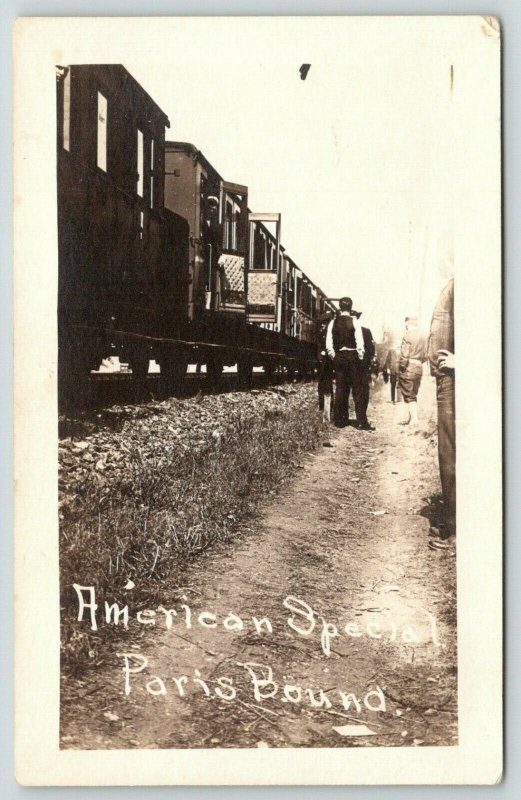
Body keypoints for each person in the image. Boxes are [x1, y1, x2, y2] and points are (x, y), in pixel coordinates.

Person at [427, 277, 455, 548]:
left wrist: (464, 360)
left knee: (454, 452)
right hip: (447, 378)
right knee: (449, 452)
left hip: (456, 377)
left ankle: (459, 531)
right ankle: (454, 521)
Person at [326, 297, 372, 430]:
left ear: (340, 307)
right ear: (351, 308)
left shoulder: (333, 323)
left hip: (339, 356)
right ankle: (361, 422)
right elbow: (360, 343)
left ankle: (340, 421)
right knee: (358, 390)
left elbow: (329, 344)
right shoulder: (355, 322)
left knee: (341, 389)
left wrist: (335, 356)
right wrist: (359, 357)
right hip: (353, 357)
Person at [398, 316, 427, 426]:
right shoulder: (423, 337)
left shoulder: (407, 336)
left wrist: (401, 367)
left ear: (407, 324)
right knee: (413, 393)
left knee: (409, 395)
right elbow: (426, 355)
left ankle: (414, 419)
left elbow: (405, 354)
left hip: (409, 366)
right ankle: (411, 418)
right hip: (419, 367)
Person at [317, 311, 335, 424]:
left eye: (324, 324)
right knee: (323, 385)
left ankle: (326, 411)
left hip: (327, 363)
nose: (322, 326)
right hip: (324, 362)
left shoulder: (329, 333)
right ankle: (323, 407)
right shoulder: (323, 333)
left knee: (326, 385)